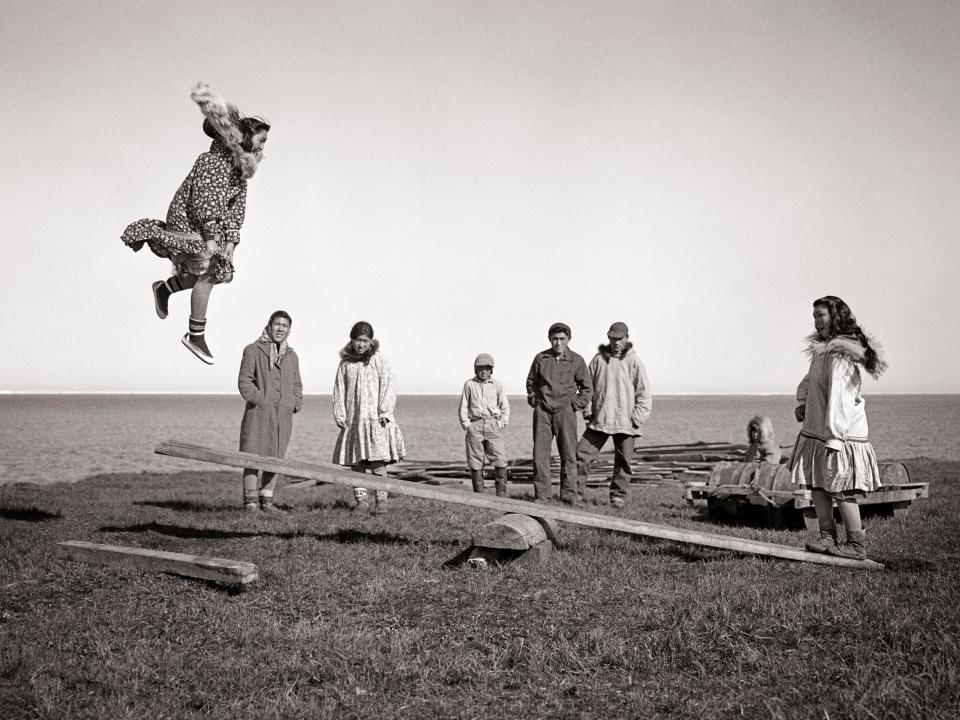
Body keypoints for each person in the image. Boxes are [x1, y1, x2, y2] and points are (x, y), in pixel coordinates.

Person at [121, 83, 271, 365]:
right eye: (261, 140)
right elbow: (205, 203)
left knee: (219, 271)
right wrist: (214, 242)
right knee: (210, 272)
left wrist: (230, 247)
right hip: (191, 223)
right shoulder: (214, 161)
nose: (264, 147)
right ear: (247, 139)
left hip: (208, 228)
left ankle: (164, 289)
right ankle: (195, 335)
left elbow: (236, 211)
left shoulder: (240, 171)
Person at [791, 295, 887, 560]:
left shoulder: (842, 355)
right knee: (818, 484)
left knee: (842, 488)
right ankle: (828, 536)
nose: (816, 321)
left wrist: (835, 437)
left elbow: (841, 399)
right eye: (814, 316)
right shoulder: (823, 352)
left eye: (820, 315)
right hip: (819, 430)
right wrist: (804, 403)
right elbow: (812, 382)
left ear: (835, 316)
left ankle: (856, 545)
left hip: (839, 434)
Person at [574, 322, 652, 508]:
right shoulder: (598, 360)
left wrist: (637, 419)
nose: (616, 342)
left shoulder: (634, 362)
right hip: (599, 420)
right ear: (608, 338)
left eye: (620, 339)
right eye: (613, 338)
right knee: (581, 456)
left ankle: (618, 496)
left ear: (627, 338)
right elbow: (587, 388)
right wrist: (587, 411)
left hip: (627, 423)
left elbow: (644, 394)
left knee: (624, 461)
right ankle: (575, 494)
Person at [332, 321, 406, 514]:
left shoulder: (379, 360)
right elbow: (339, 390)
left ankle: (382, 501)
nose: (361, 345)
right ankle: (361, 501)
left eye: (365, 340)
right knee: (357, 464)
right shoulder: (346, 363)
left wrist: (384, 411)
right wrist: (340, 414)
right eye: (357, 340)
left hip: (375, 420)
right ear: (352, 341)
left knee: (377, 462)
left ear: (371, 341)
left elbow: (389, 385)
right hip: (354, 421)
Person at [237, 310, 303, 513]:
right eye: (277, 324)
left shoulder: (292, 356)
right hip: (258, 414)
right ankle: (250, 503)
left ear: (289, 330)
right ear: (269, 325)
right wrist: (261, 401)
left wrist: (294, 404)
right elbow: (244, 382)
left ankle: (267, 501)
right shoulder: (253, 350)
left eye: (285, 325)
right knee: (252, 457)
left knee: (275, 458)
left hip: (282, 417)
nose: (280, 328)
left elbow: (297, 385)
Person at [525, 322, 593, 504]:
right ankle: (542, 495)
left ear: (568, 340)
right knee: (540, 455)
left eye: (562, 339)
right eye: (554, 339)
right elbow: (531, 381)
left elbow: (587, 388)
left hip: (566, 411)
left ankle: (569, 495)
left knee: (569, 454)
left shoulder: (576, 360)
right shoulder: (541, 358)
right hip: (543, 412)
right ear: (549, 339)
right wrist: (534, 399)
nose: (558, 342)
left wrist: (575, 404)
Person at [458, 353, 511, 496]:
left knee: (500, 459)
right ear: (476, 369)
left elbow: (504, 406)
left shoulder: (497, 385)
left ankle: (501, 496)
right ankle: (479, 497)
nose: (484, 371)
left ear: (491, 370)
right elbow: (463, 406)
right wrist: (467, 425)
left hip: (493, 425)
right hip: (475, 425)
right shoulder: (469, 384)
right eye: (480, 368)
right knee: (475, 461)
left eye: (487, 368)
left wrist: (501, 423)